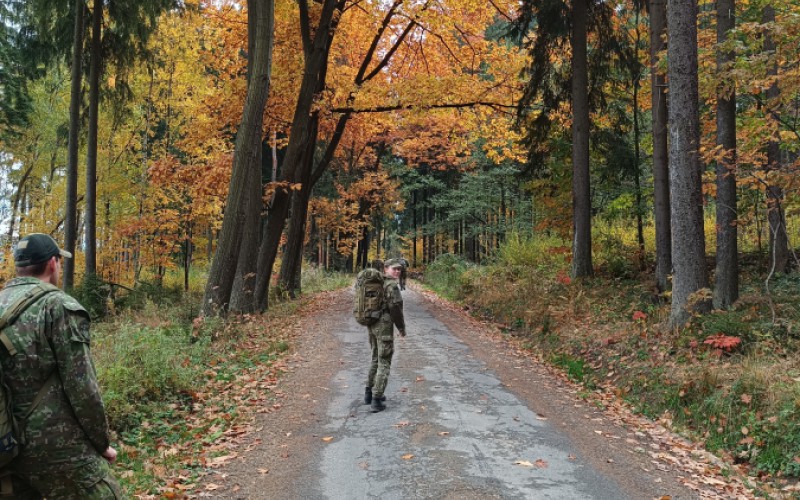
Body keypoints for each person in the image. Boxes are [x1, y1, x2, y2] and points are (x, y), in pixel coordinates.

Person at [0, 233, 122, 499]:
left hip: (5, 447)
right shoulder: (57, 305)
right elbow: (82, 387)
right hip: (56, 446)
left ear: (20, 267)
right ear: (53, 263)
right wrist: (101, 443)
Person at [364, 259, 406, 413]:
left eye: (399, 270)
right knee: (384, 360)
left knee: (375, 357)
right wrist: (401, 328)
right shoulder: (391, 286)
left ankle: (368, 394)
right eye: (394, 269)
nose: (397, 272)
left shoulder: (375, 283)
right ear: (386, 268)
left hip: (372, 323)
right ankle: (376, 399)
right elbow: (396, 309)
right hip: (384, 326)